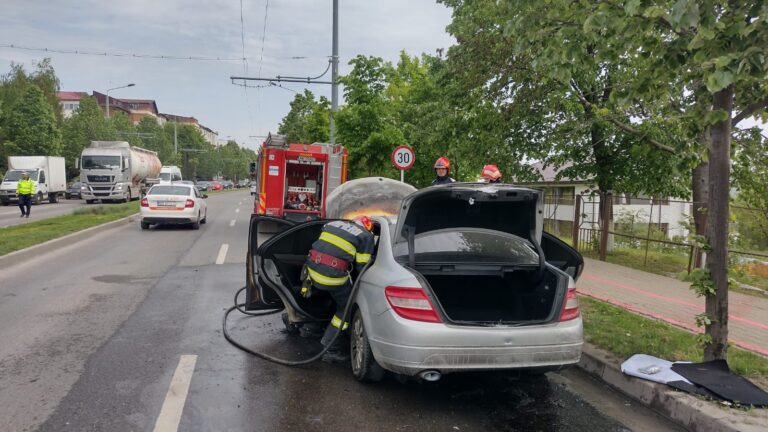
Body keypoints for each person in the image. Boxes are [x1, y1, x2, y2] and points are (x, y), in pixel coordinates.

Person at [300, 215, 375, 363]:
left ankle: (308, 327)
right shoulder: (366, 236)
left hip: (311, 270)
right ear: (368, 227)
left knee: (319, 295)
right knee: (346, 308)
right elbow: (362, 266)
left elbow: (325, 246)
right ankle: (330, 347)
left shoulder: (332, 224)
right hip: (331, 275)